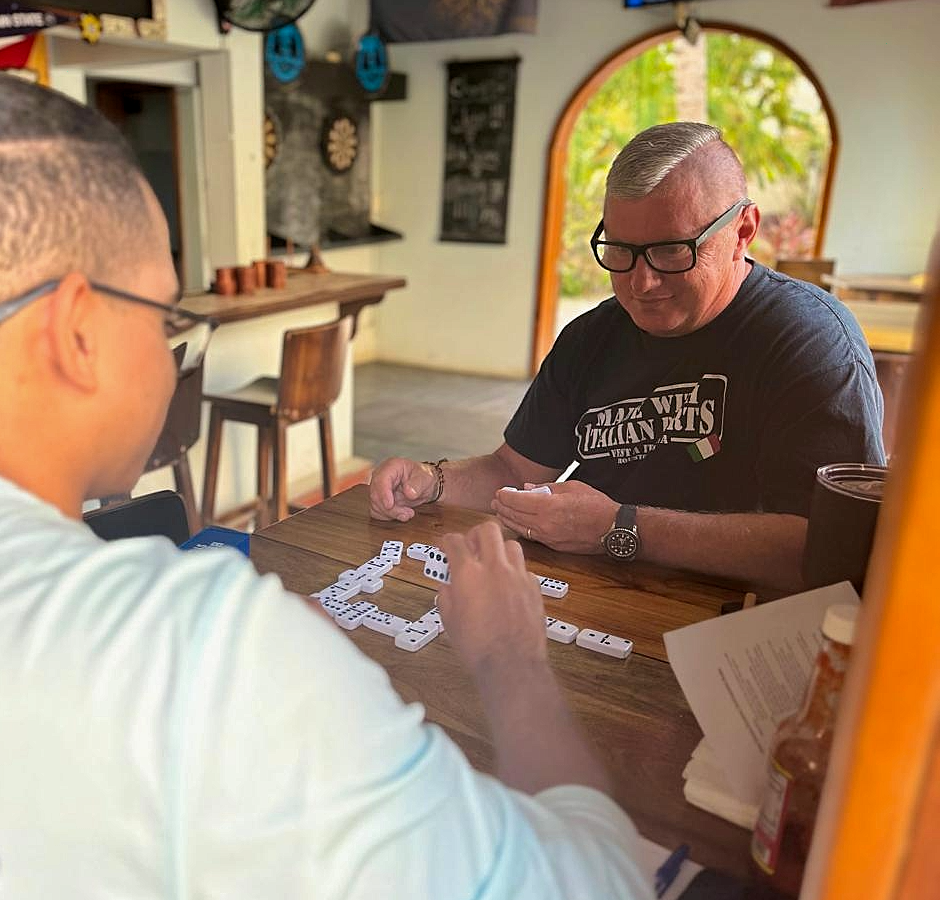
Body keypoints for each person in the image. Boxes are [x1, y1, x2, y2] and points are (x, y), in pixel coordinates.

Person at [0, 17, 659, 900]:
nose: (171, 343)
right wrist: (509, 658)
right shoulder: (193, 661)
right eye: (163, 308)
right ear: (78, 330)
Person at [370, 122, 884, 592]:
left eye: (672, 251)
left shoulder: (811, 345)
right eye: (620, 251)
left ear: (742, 231)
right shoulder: (593, 337)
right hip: (591, 599)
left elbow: (830, 551)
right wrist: (432, 480)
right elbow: (514, 469)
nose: (641, 283)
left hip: (737, 623)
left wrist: (623, 528)